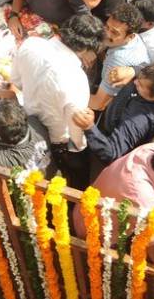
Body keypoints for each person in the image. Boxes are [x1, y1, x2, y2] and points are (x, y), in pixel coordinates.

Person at [11, 13, 106, 189]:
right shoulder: (76, 78)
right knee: (74, 183)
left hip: (31, 124)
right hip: (59, 143)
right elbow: (76, 127)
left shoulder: (31, 44)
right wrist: (80, 148)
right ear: (87, 48)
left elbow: (16, 80)